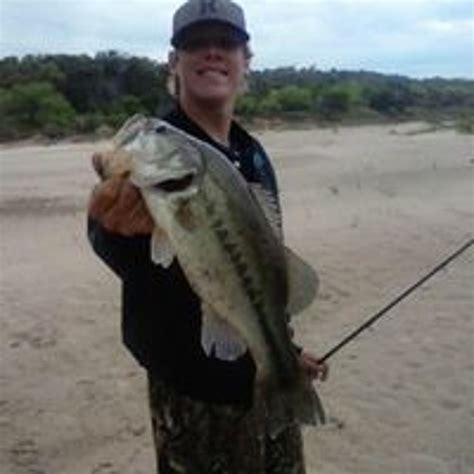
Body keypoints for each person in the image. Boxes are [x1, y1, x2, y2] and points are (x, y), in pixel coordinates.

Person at [87, 1, 328, 472]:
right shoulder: (158, 154)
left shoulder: (251, 153)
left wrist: (286, 352)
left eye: (226, 43)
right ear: (173, 63)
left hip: (264, 376)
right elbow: (111, 241)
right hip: (193, 390)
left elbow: (265, 273)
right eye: (195, 43)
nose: (212, 52)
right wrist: (110, 228)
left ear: (246, 62)